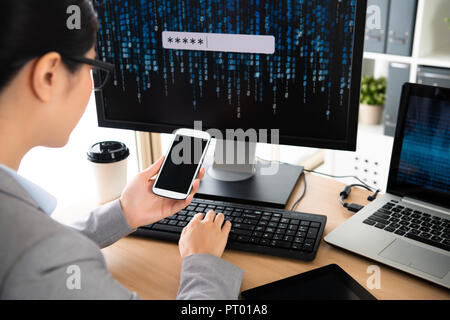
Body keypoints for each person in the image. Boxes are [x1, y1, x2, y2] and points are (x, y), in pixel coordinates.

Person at [0, 0, 243, 299]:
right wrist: (201, 262)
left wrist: (123, 213)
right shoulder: (42, 258)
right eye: (94, 67)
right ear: (49, 75)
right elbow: (38, 256)